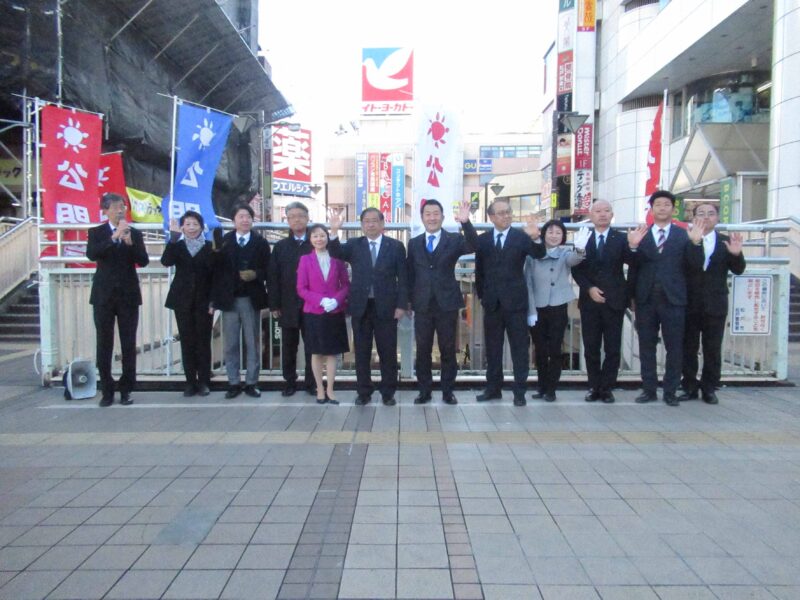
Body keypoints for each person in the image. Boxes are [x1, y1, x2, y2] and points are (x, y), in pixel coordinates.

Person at [627, 190, 704, 406]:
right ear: (652, 209)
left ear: (673, 209)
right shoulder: (641, 234)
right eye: (658, 204)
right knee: (646, 346)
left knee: (675, 347)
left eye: (666, 204)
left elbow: (695, 266)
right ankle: (649, 389)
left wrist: (696, 244)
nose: (662, 208)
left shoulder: (684, 235)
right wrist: (632, 247)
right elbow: (633, 268)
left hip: (674, 299)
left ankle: (670, 391)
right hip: (646, 299)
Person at [329, 207, 408, 406]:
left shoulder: (396, 246)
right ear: (362, 225)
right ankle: (363, 391)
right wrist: (334, 231)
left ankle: (388, 392)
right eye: (366, 221)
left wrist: (401, 305)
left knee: (387, 351)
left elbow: (403, 278)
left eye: (374, 220)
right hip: (360, 306)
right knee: (362, 352)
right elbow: (335, 252)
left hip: (387, 307)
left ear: (382, 224)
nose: (370, 224)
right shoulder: (354, 245)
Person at [474, 198, 545, 406]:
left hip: (516, 302)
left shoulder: (521, 237)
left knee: (519, 349)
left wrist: (536, 238)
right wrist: (483, 296)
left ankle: (519, 392)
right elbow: (479, 271)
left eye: (508, 212)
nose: (506, 216)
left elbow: (539, 254)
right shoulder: (483, 240)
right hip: (492, 304)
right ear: (491, 217)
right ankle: (493, 388)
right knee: (493, 349)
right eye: (501, 213)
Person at [406, 199, 478, 405]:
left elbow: (474, 245)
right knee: (423, 349)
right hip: (422, 304)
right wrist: (408, 301)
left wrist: (466, 222)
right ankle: (424, 391)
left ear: (443, 217)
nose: (432, 218)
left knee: (448, 349)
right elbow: (410, 274)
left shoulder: (453, 239)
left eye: (436, 213)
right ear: (422, 218)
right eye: (428, 214)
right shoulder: (414, 243)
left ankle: (448, 391)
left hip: (447, 302)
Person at [86, 192, 149, 407]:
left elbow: (143, 260)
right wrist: (114, 237)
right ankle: (107, 389)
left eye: (122, 207)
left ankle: (126, 388)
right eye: (114, 207)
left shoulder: (134, 233)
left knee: (128, 343)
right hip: (103, 295)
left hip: (128, 295)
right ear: (105, 210)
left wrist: (130, 243)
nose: (120, 211)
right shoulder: (97, 232)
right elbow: (92, 254)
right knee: (104, 342)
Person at [680, 202, 746, 404]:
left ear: (717, 218)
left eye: (711, 213)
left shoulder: (726, 241)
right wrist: (694, 243)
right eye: (701, 213)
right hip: (689, 302)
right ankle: (689, 386)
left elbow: (738, 270)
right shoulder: (685, 239)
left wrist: (736, 254)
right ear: (693, 218)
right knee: (688, 347)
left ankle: (709, 388)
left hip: (715, 303)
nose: (706, 217)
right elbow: (690, 265)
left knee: (712, 348)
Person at [572, 200, 634, 403]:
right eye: (598, 211)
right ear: (591, 215)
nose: (602, 214)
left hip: (614, 300)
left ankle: (607, 388)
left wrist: (633, 247)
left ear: (612, 215)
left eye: (607, 211)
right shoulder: (583, 237)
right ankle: (593, 386)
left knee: (613, 348)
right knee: (591, 347)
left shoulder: (621, 238)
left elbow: (634, 263)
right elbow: (576, 268)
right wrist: (589, 288)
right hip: (589, 301)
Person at [210, 203, 271, 399]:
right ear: (234, 220)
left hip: (250, 299)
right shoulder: (224, 241)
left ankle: (252, 382)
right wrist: (213, 300)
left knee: (252, 342)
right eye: (241, 216)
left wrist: (256, 274)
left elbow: (269, 269)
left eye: (248, 217)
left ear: (252, 220)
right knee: (230, 343)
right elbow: (215, 271)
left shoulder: (260, 243)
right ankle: (233, 382)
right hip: (229, 299)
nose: (245, 220)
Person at [525, 219, 586, 403]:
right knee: (540, 349)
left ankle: (551, 389)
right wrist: (530, 310)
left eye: (558, 233)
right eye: (550, 232)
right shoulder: (532, 254)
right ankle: (542, 386)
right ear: (543, 234)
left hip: (558, 305)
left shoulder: (565, 253)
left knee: (555, 348)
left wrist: (580, 249)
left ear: (563, 236)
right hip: (537, 306)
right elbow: (528, 282)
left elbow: (574, 260)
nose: (554, 236)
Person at [160, 211, 215, 398]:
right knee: (187, 341)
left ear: (201, 227)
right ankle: (190, 382)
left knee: (203, 341)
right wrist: (173, 239)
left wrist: (214, 300)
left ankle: (204, 381)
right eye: (188, 224)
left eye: (195, 224)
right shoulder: (177, 245)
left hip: (204, 301)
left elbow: (216, 275)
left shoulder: (210, 247)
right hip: (182, 300)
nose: (191, 228)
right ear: (182, 227)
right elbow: (166, 261)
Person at [296, 224, 350, 405]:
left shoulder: (337, 258)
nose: (319, 239)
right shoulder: (305, 260)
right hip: (314, 311)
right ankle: (319, 388)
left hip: (334, 311)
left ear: (327, 237)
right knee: (316, 352)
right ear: (310, 239)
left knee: (332, 353)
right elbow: (301, 288)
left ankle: (330, 389)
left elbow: (346, 285)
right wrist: (320, 300)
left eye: (322, 235)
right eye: (315, 236)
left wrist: (336, 300)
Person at [268, 201, 315, 397]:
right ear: (287, 220)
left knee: (312, 346)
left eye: (300, 216)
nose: (297, 220)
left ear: (307, 218)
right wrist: (274, 304)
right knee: (288, 346)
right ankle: (289, 382)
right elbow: (273, 277)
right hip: (287, 304)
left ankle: (311, 383)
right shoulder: (281, 246)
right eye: (292, 217)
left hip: (312, 304)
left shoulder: (316, 242)